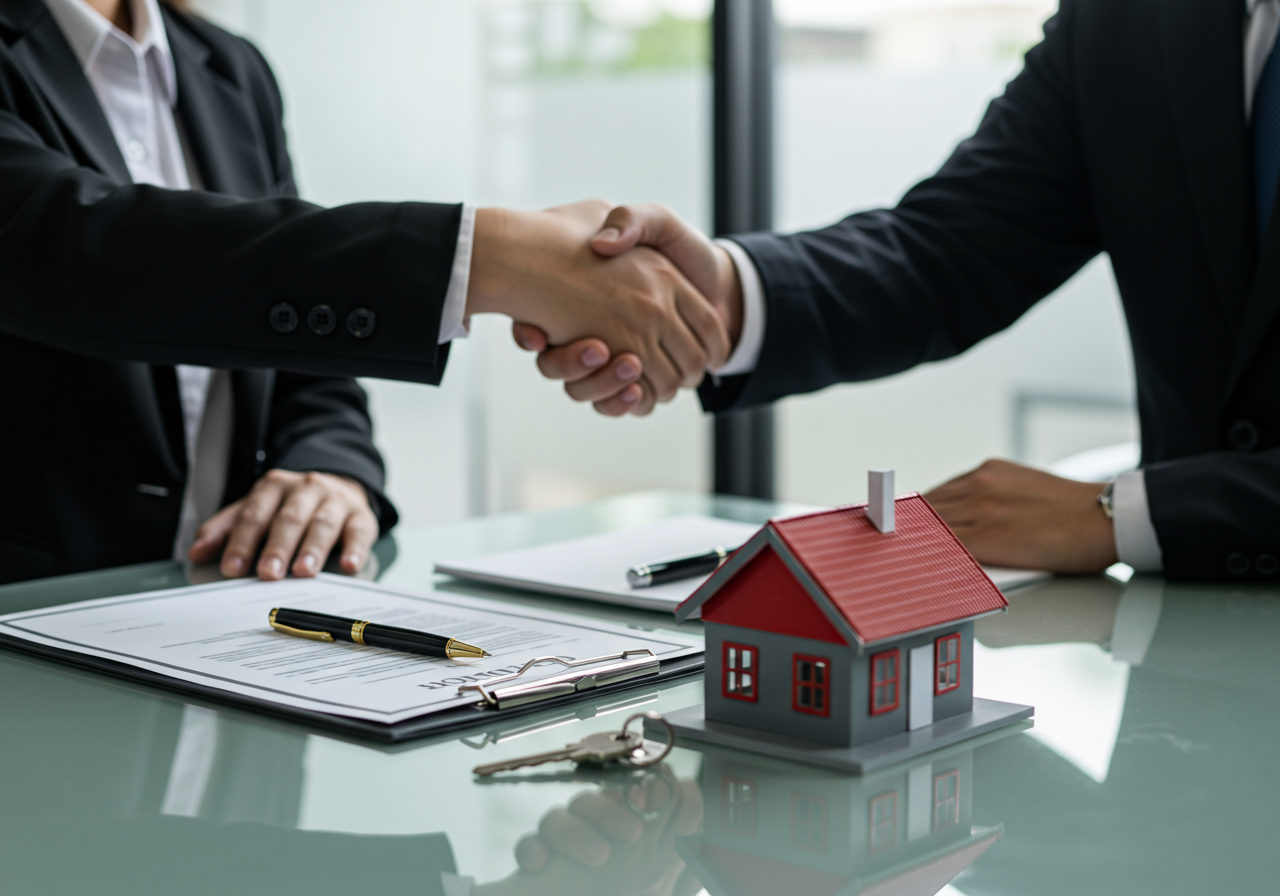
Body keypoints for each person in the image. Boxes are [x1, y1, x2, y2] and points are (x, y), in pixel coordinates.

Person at [519, 0, 1280, 583]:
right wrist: (716, 297)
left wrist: (1126, 515)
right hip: (1175, 663)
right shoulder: (1131, 20)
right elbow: (948, 251)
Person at [0, 0, 728, 585]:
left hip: (225, 624)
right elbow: (78, 254)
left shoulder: (229, 70)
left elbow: (293, 340)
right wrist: (494, 258)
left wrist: (330, 467)